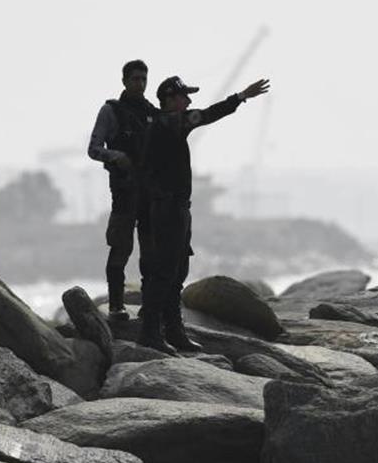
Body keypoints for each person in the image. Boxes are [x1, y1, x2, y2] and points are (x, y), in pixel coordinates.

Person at [139, 74, 271, 354]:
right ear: (170, 99)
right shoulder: (168, 122)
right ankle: (150, 332)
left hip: (176, 208)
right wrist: (240, 97)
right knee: (164, 273)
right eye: (184, 96)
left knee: (176, 272)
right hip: (167, 208)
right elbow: (208, 115)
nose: (188, 101)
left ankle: (174, 332)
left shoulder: (168, 124)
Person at [88, 60, 159, 321]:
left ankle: (149, 305)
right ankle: (116, 305)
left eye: (143, 79)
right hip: (124, 191)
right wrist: (117, 156)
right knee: (120, 248)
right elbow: (94, 148)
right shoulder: (111, 112)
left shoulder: (151, 112)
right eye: (135, 79)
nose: (140, 84)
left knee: (150, 251)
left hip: (149, 193)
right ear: (125, 81)